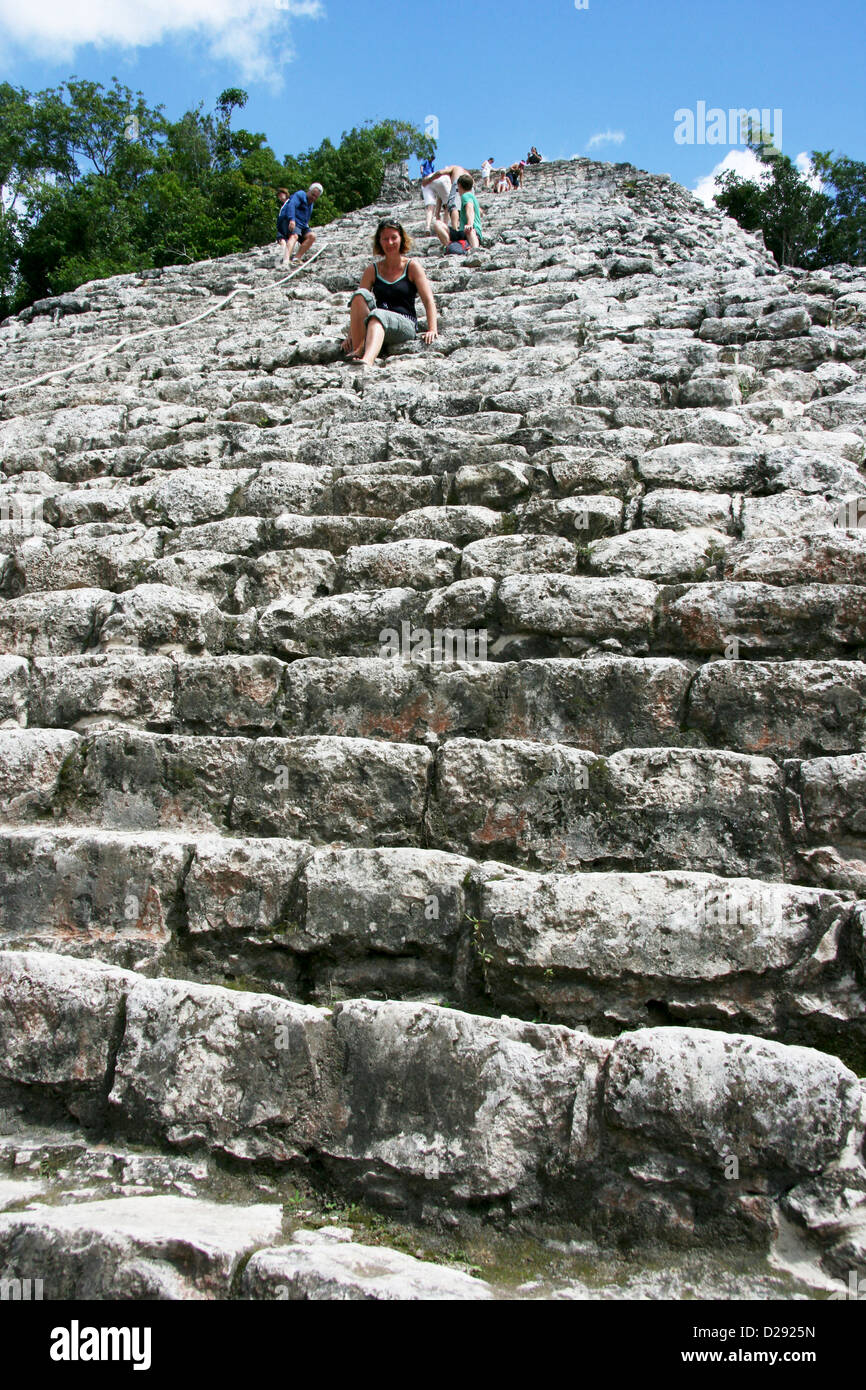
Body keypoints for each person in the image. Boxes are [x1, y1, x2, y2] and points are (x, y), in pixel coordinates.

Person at [341, 219, 439, 368]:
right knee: (360, 295)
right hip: (377, 320)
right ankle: (357, 348)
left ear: (401, 239)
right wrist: (350, 335)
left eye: (394, 238)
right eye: (385, 239)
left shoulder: (412, 266)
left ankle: (367, 360)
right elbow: (358, 305)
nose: (390, 243)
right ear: (379, 242)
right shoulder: (372, 270)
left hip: (405, 322)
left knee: (378, 314)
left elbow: (428, 300)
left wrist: (432, 328)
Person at [432, 173, 482, 250]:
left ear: (459, 185)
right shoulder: (472, 196)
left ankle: (475, 250)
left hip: (470, 233)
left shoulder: (466, 196)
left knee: (437, 224)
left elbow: (470, 209)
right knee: (438, 224)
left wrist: (469, 224)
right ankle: (450, 246)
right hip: (462, 233)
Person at [280, 183, 323, 265]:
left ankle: (297, 258)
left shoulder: (311, 204)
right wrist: (291, 219)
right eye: (313, 194)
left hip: (302, 225)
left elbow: (306, 217)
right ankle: (286, 259)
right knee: (294, 236)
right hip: (293, 221)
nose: (313, 197)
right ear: (309, 191)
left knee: (312, 236)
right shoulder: (300, 194)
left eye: (316, 197)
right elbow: (291, 205)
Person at [422, 162, 470, 229]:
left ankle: (428, 226)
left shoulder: (455, 169)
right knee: (450, 206)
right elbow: (440, 173)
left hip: (428, 181)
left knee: (430, 206)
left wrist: (428, 180)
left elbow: (439, 203)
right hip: (441, 180)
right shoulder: (455, 169)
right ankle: (449, 227)